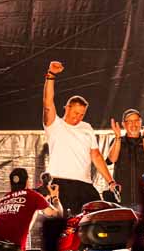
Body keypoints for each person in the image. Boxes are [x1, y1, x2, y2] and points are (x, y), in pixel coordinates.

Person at [42, 60, 119, 216]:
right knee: (66, 222)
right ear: (67, 108)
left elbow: (96, 156)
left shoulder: (87, 127)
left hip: (85, 185)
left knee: (98, 217)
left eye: (82, 114)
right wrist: (51, 75)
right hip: (62, 183)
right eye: (75, 113)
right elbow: (47, 103)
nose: (78, 117)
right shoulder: (55, 124)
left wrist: (111, 181)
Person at [0, 168, 62, 251]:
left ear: (10, 184)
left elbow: (13, 219)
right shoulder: (32, 195)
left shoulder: (3, 200)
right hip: (11, 246)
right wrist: (55, 197)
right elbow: (58, 215)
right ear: (27, 182)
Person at [106, 108, 144, 208]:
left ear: (141, 122)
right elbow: (111, 160)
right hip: (122, 198)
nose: (133, 124)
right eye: (130, 121)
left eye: (136, 121)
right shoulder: (117, 141)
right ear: (124, 124)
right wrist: (117, 137)